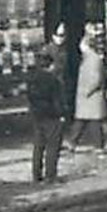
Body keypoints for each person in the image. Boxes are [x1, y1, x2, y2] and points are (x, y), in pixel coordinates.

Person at [26, 46, 66, 182]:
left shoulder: (32, 79)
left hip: (37, 115)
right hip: (52, 116)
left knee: (38, 146)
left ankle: (36, 174)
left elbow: (30, 97)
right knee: (53, 147)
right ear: (51, 65)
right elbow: (57, 101)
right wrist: (61, 115)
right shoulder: (53, 81)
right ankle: (50, 175)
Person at [69, 25, 107, 152]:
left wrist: (87, 91)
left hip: (90, 96)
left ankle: (98, 146)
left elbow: (97, 79)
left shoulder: (93, 59)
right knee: (83, 122)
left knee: (92, 123)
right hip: (87, 97)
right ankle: (74, 143)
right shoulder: (89, 58)